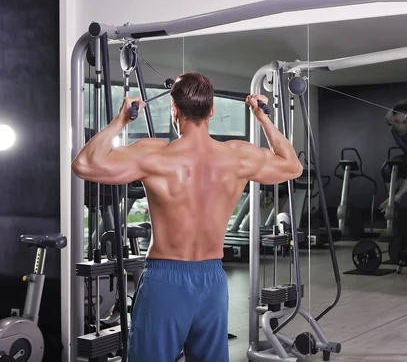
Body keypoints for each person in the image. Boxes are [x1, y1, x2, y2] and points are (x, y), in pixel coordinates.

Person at [71, 72, 304, 362]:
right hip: (213, 282)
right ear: (212, 111)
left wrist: (121, 120)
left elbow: (84, 164)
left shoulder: (154, 155)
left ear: (174, 110)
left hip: (165, 280)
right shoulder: (237, 157)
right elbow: (293, 167)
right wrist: (262, 117)